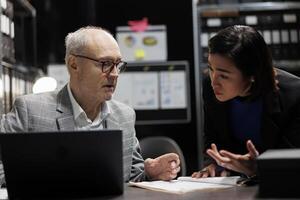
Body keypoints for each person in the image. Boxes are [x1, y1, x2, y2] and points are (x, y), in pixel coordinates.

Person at [0, 26, 180, 182]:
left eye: (118, 65)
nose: (115, 74)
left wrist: (149, 172)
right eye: (106, 63)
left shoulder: (124, 115)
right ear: (74, 64)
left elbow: (131, 176)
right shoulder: (30, 110)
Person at [192, 25, 300, 179]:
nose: (213, 81)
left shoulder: (294, 96)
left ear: (252, 75)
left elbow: (292, 165)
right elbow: (212, 137)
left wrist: (258, 169)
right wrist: (212, 164)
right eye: (211, 69)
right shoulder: (210, 88)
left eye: (224, 75)